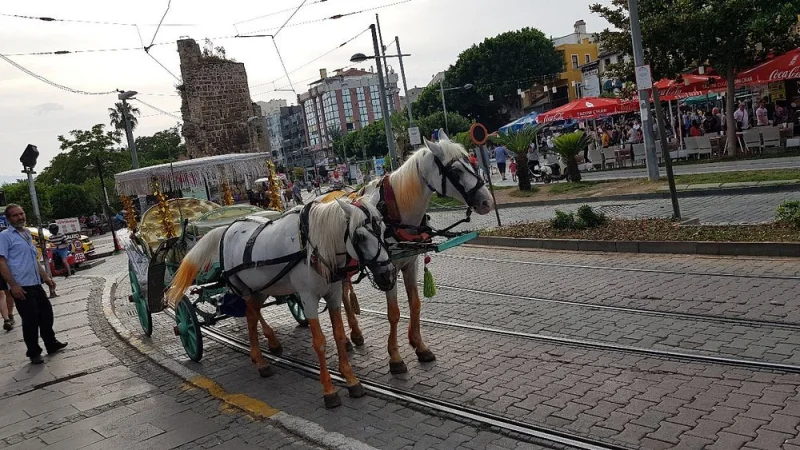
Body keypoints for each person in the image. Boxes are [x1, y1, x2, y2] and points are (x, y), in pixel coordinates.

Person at [0, 204, 67, 364]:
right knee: (30, 319)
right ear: (9, 219)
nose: (20, 217)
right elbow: (1, 262)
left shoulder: (27, 234)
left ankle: (51, 343)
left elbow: (34, 259)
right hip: (20, 285)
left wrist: (45, 277)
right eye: (15, 215)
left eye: (21, 214)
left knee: (46, 313)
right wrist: (13, 285)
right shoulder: (5, 236)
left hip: (35, 282)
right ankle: (33, 352)